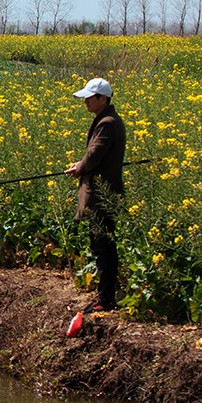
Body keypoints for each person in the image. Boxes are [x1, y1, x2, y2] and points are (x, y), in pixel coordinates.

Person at [65, 78, 126, 311]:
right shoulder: (107, 120)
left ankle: (105, 298)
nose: (86, 102)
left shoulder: (108, 123)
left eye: (90, 98)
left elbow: (94, 155)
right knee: (101, 245)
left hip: (102, 195)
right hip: (102, 192)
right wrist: (81, 164)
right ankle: (105, 295)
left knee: (103, 248)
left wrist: (79, 167)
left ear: (103, 99)